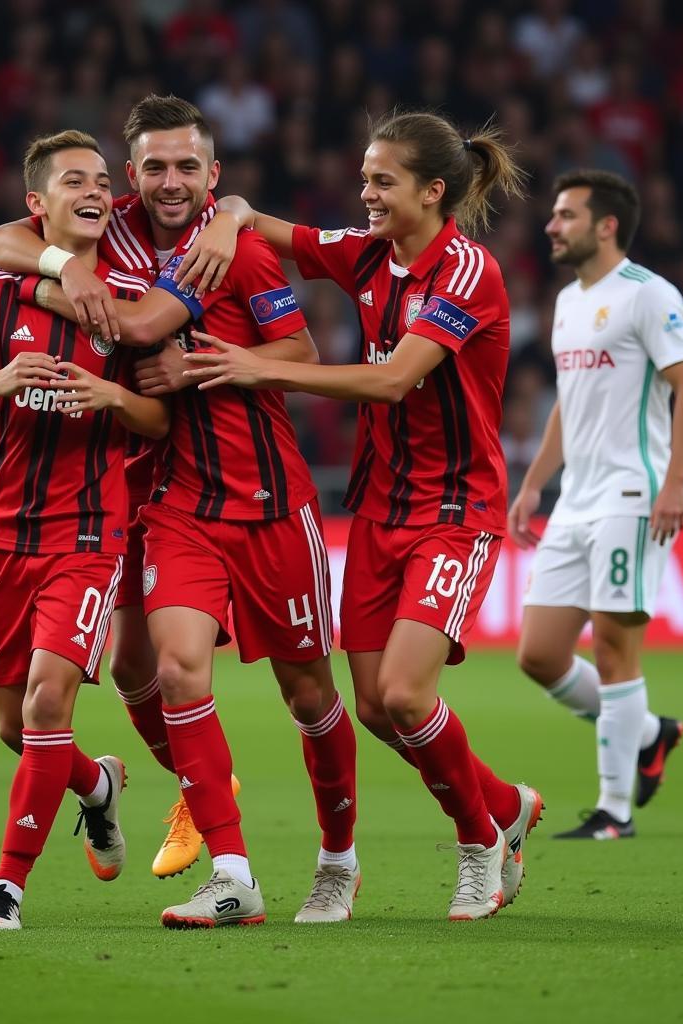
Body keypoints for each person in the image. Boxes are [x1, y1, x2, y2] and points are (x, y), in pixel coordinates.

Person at [0, 95, 359, 928]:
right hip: (171, 496)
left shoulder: (234, 248)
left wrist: (199, 363)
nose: (172, 181)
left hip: (271, 499)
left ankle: (338, 860)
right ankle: (232, 867)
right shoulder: (105, 228)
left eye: (189, 168)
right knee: (164, 668)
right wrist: (66, 269)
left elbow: (299, 352)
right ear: (132, 176)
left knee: (309, 694)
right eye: (155, 167)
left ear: (214, 175)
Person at [177, 109, 543, 922]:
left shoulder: (467, 272)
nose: (366, 193)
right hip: (380, 510)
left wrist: (256, 370)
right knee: (375, 706)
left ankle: (482, 842)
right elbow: (273, 226)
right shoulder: (369, 253)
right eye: (366, 177)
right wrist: (230, 212)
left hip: (453, 509)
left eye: (383, 181)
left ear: (433, 191)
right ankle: (505, 804)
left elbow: (391, 381)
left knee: (408, 697)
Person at [0, 130, 170, 930]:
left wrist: (114, 397)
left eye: (101, 180)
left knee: (49, 707)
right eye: (74, 180)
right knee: (16, 728)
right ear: (37, 205)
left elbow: (159, 419)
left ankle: (7, 888)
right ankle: (98, 785)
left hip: (88, 535)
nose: (95, 190)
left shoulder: (132, 304)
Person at [508, 170, 683, 839]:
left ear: (606, 225)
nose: (551, 225)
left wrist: (676, 481)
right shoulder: (567, 302)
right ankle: (649, 732)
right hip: (577, 499)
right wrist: (535, 482)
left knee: (618, 648)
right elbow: (569, 401)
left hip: (632, 493)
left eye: (565, 215)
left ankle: (614, 811)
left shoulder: (650, 297)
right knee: (538, 654)